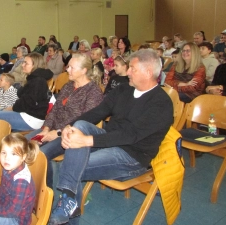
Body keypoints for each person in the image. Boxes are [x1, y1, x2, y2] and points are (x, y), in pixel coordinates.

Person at [47, 49, 173, 225]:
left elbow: (130, 135)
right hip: (109, 139)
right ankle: (69, 203)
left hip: (132, 155)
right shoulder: (124, 89)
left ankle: (68, 203)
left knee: (71, 165)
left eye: (132, 68)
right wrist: (70, 126)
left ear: (148, 73)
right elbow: (98, 112)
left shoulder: (161, 103)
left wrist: (87, 140)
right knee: (81, 127)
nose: (127, 71)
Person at [25, 53, 103, 188]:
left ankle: (44, 194)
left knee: (41, 154)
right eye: (68, 66)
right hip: (53, 129)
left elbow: (84, 121)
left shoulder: (93, 92)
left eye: (71, 67)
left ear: (84, 70)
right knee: (23, 144)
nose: (67, 69)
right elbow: (54, 110)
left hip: (70, 135)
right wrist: (46, 129)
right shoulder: (68, 86)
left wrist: (57, 133)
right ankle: (28, 186)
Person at [0, 52, 53, 137]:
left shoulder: (38, 81)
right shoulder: (34, 79)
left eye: (26, 63)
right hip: (26, 115)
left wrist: (11, 108)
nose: (22, 65)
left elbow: (26, 104)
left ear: (34, 66)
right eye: (23, 62)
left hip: (31, 119)